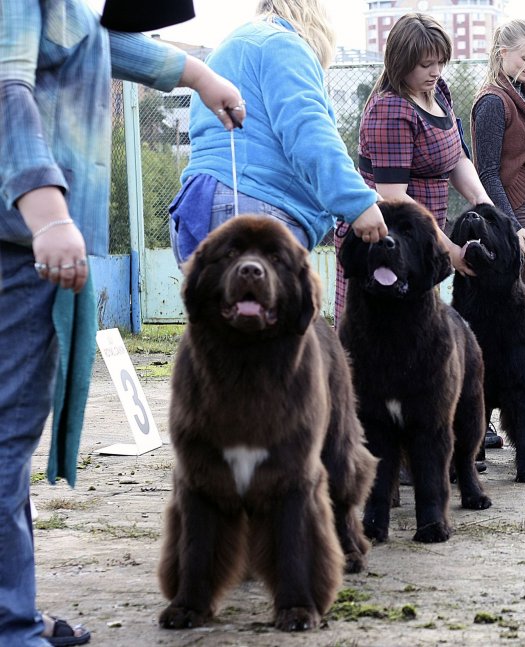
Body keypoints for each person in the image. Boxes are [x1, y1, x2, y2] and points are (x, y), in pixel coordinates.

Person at [0, 1, 246, 644]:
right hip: (21, 245)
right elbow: (6, 90)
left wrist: (197, 74)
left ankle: (11, 609)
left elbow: (92, 43)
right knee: (5, 439)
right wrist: (49, 214)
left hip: (26, 240)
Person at [168, 0, 387, 269]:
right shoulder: (285, 45)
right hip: (255, 209)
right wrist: (357, 202)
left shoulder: (226, 48)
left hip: (195, 208)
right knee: (273, 311)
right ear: (315, 17)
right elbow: (308, 130)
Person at [334, 12, 494, 323]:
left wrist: (486, 207)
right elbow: (393, 197)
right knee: (369, 343)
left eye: (440, 62)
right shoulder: (390, 109)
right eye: (425, 65)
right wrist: (448, 249)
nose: (436, 71)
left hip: (419, 239)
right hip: (384, 243)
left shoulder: (437, 90)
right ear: (402, 62)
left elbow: (457, 157)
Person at [471, 19, 525, 257]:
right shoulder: (493, 102)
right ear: (503, 52)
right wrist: (513, 226)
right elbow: (486, 173)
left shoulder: (520, 90)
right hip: (512, 211)